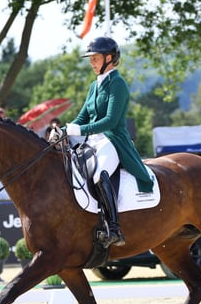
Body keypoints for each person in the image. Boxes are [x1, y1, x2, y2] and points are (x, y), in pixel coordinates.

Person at [64, 36, 154, 247]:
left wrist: (80, 129)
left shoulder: (118, 84)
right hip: (93, 142)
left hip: (113, 140)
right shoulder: (94, 86)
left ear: (110, 58)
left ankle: (113, 227)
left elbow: (110, 121)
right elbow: (82, 117)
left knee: (99, 174)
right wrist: (63, 130)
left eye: (95, 58)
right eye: (91, 58)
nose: (91, 62)